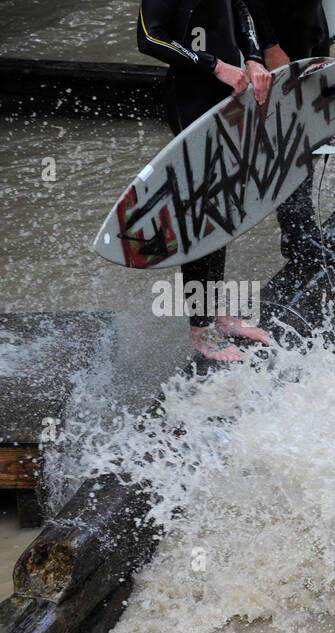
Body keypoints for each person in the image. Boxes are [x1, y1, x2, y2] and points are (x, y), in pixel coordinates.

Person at [137, 0, 275, 362]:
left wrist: (254, 58)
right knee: (201, 210)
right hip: (192, 98)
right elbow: (150, 37)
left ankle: (216, 314)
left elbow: (242, 11)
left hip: (231, 94)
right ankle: (200, 327)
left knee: (224, 203)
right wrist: (213, 65)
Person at [249, 2, 335, 277]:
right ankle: (295, 236)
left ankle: (306, 228)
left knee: (311, 129)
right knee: (287, 133)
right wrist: (269, 45)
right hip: (280, 35)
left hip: (312, 25)